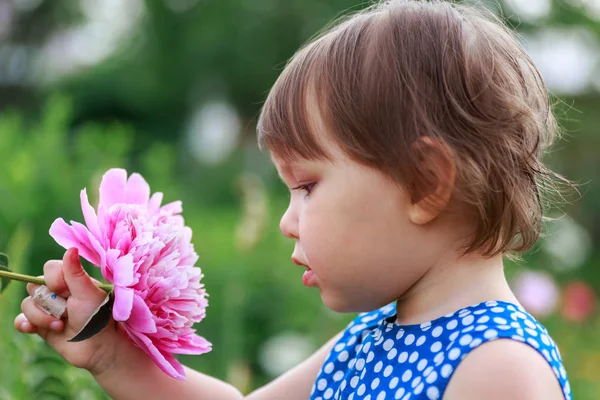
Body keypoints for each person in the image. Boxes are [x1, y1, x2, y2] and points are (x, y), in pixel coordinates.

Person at [15, 1, 573, 399]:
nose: (286, 221)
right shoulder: (371, 338)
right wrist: (113, 354)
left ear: (427, 182)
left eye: (307, 186)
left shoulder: (499, 370)